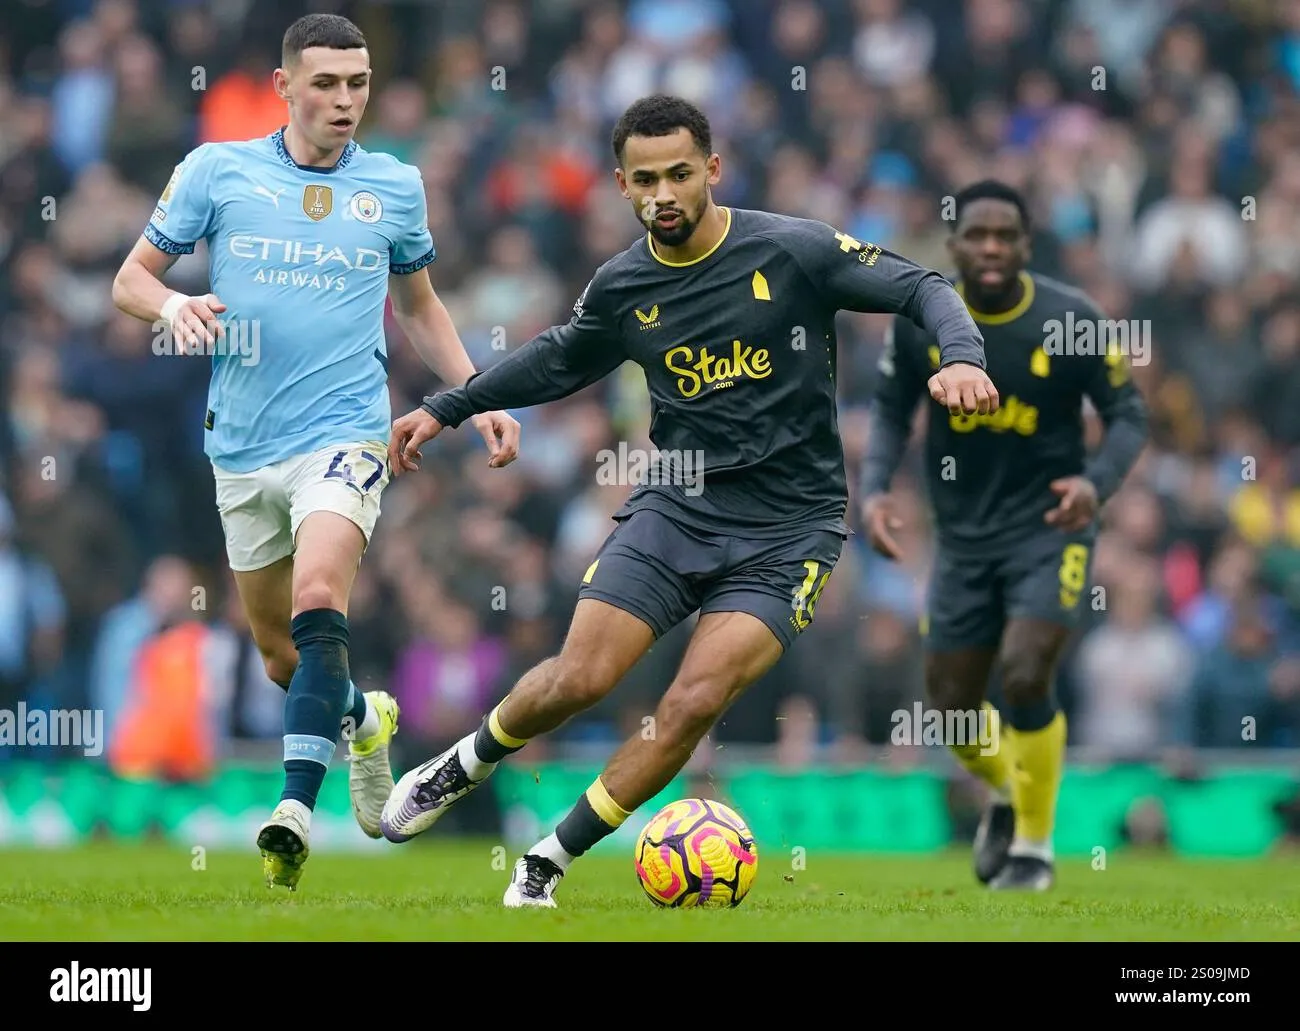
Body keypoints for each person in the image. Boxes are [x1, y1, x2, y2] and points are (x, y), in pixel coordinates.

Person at [380, 94, 998, 908]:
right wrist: (445, 405)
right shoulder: (625, 284)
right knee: (579, 677)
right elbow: (560, 359)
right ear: (621, 186)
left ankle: (548, 860)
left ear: (712, 169)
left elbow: (922, 285)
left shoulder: (793, 250)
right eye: (645, 180)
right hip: (676, 510)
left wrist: (962, 355)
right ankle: (463, 764)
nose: (663, 193)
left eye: (679, 173)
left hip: (791, 532)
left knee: (692, 700)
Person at [110, 13, 520, 890]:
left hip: (345, 431)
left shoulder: (395, 186)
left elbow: (418, 308)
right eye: (327, 83)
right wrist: (173, 309)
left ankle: (295, 804)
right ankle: (364, 718)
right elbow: (130, 278)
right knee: (278, 653)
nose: (345, 100)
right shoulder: (218, 170)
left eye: (359, 83)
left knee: (320, 591)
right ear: (284, 86)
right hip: (244, 445)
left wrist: (474, 394)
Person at [860, 180, 1148, 890]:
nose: (991, 248)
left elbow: (1129, 413)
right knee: (953, 711)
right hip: (960, 538)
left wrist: (1095, 483)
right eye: (977, 235)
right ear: (953, 244)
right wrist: (871, 491)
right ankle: (1009, 794)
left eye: (1005, 236)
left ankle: (1034, 850)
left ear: (1026, 244)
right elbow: (891, 410)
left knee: (1023, 672)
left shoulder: (1071, 319)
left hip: (1050, 526)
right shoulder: (922, 317)